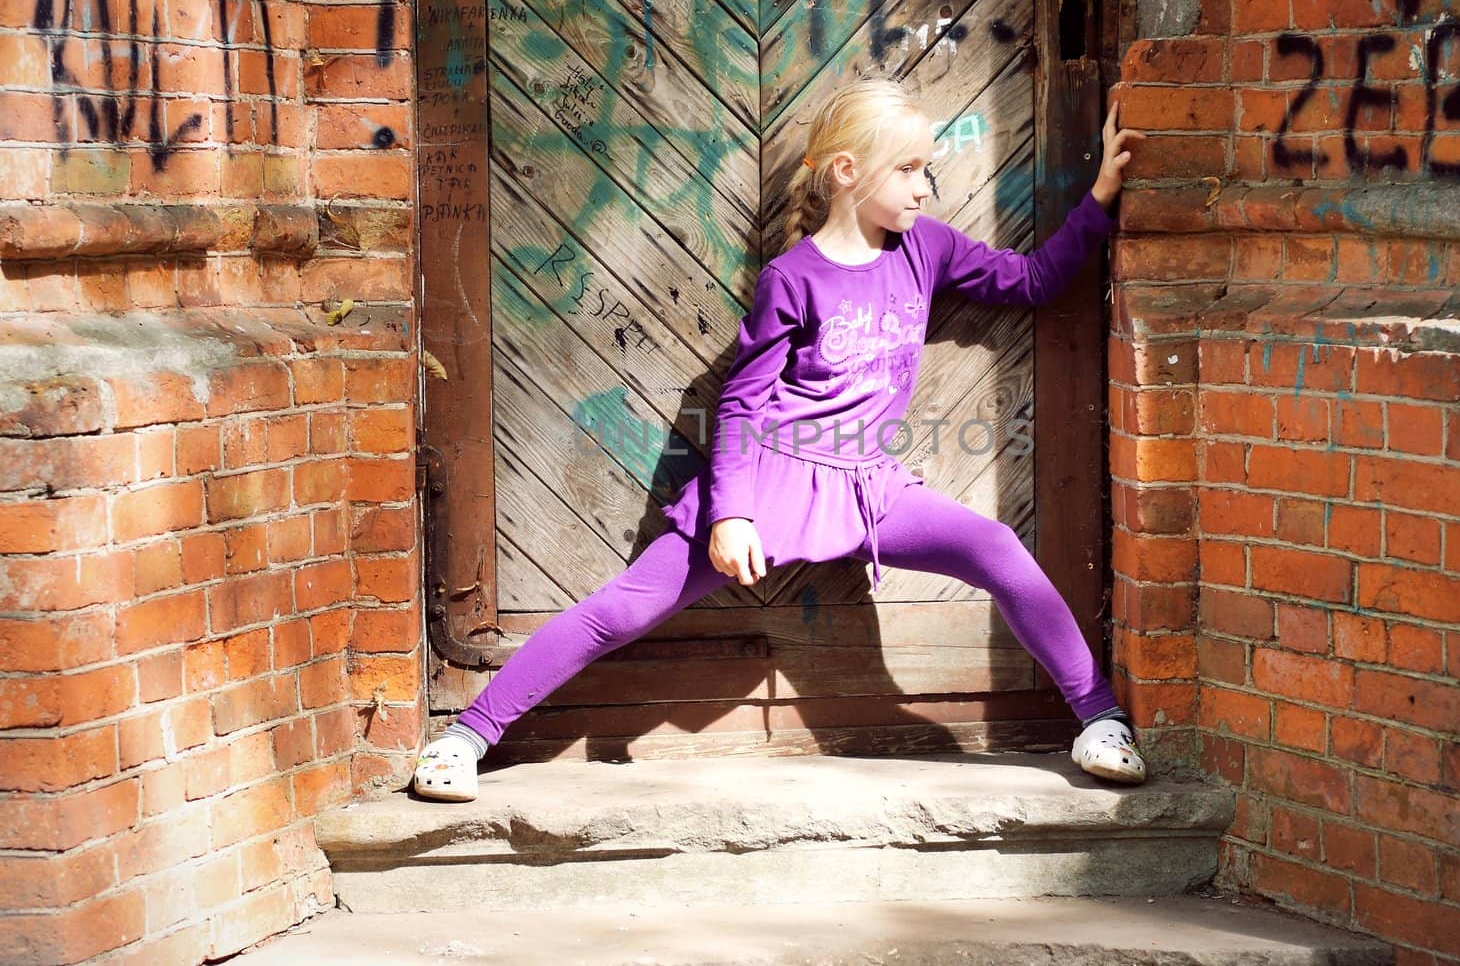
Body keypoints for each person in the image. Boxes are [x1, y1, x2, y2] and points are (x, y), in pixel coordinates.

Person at [412, 77, 1148, 802]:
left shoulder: (927, 247)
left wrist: (1100, 198)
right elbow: (740, 401)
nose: (925, 187)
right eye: (910, 168)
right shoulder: (792, 278)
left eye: (928, 168)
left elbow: (1031, 281)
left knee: (996, 549)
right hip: (770, 481)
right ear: (847, 170)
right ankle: (465, 736)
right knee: (626, 608)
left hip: (868, 483)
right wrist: (729, 513)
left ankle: (1099, 719)